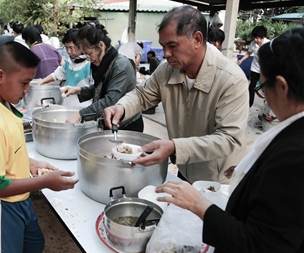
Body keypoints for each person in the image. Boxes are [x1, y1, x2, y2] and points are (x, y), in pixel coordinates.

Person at [155, 27, 304, 253]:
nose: (166, 54)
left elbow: (259, 243)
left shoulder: (293, 157)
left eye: (262, 87)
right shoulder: (168, 72)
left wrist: (200, 205)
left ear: (282, 87)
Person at [103, 6, 249, 184]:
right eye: (163, 46)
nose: (166, 54)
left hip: (217, 180)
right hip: (185, 168)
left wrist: (174, 147)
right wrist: (122, 106)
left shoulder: (231, 80)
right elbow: (142, 94)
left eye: (172, 46)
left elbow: (229, 139)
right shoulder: (167, 70)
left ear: (197, 39)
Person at [0, 41, 78, 252]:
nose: (27, 90)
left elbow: (7, 150)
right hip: (0, 206)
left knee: (34, 244)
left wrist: (31, 163)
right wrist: (43, 182)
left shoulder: (3, 104)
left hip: (19, 199)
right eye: (24, 83)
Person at [62, 24, 143, 131]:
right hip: (110, 120)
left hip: (127, 125)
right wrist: (78, 90)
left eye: (89, 53)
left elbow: (110, 100)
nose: (88, 59)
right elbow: (99, 89)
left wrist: (80, 114)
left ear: (101, 45)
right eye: (85, 54)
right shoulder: (103, 62)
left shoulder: (120, 65)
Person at [38, 28, 93, 107]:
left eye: (71, 48)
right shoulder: (69, 63)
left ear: (81, 46)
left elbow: (93, 90)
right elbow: (56, 75)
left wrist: (75, 90)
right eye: (66, 48)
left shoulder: (90, 65)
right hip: (67, 106)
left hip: (83, 108)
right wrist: (41, 83)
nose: (68, 51)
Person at [237, 25, 270, 107]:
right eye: (254, 37)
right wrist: (241, 60)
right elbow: (249, 53)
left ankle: (268, 105)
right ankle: (249, 104)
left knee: (267, 87)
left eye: (257, 38)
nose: (255, 40)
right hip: (255, 68)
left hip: (265, 69)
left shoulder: (268, 44)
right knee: (252, 86)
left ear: (263, 37)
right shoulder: (253, 43)